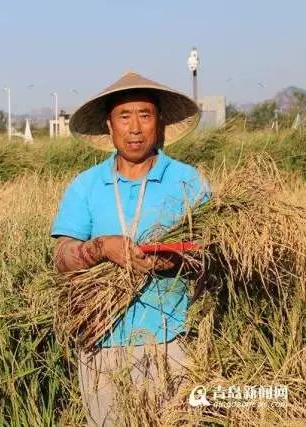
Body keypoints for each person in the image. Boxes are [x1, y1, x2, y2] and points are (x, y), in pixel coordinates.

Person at [51, 72, 209, 425]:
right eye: (124, 116)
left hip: (174, 342)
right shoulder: (86, 186)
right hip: (101, 343)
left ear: (160, 122)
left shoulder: (188, 181)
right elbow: (61, 258)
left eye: (145, 115)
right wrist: (100, 248)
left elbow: (215, 253)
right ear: (110, 125)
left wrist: (179, 260)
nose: (135, 128)